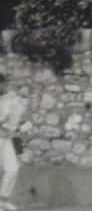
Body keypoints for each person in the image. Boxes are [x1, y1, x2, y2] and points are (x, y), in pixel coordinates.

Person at [0, 76, 25, 211]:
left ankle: (2, 201)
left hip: (6, 139)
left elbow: (12, 122)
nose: (7, 87)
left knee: (12, 169)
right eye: (5, 84)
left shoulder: (10, 101)